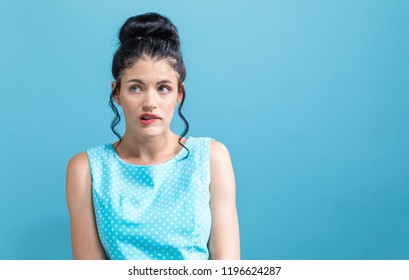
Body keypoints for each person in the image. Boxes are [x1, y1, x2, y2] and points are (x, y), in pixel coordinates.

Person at [66, 12, 240, 260]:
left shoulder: (212, 157)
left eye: (163, 88)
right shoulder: (85, 169)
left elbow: (227, 267)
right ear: (116, 93)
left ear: (179, 93)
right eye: (135, 88)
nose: (150, 102)